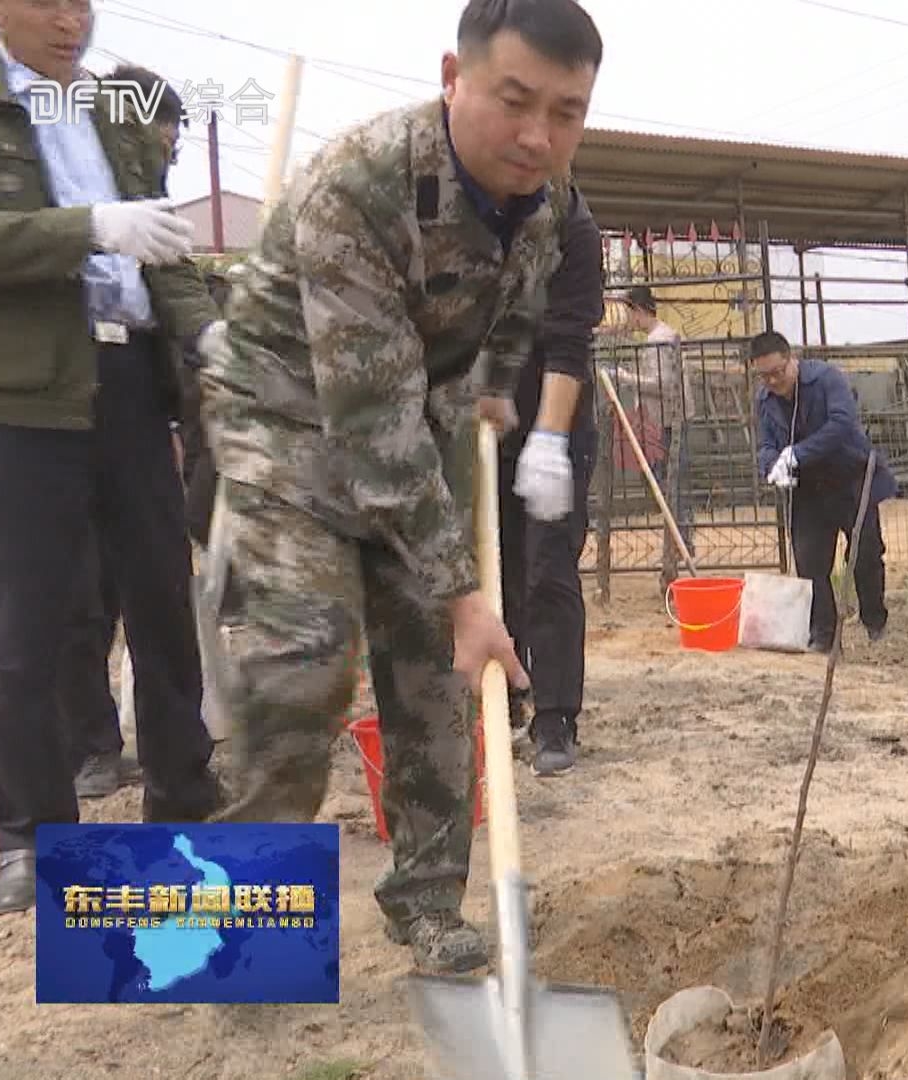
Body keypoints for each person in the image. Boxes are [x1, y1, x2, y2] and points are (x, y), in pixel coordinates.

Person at [198, 0, 604, 974]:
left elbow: (515, 316)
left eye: (567, 111)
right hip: (287, 407)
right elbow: (367, 423)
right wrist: (466, 592)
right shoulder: (364, 182)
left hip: (416, 408)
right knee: (303, 661)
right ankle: (234, 927)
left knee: (436, 673)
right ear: (453, 77)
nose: (538, 135)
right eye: (514, 101)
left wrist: (498, 395)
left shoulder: (547, 203)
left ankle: (426, 907)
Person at [0, 0, 223, 913]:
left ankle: (182, 797)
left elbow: (163, 248)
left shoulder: (115, 115)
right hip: (19, 397)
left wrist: (204, 333)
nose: (69, 21)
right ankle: (32, 838)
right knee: (27, 624)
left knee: (164, 600)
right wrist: (90, 227)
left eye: (81, 3)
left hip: (129, 385)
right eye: (46, 2)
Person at [62, 60, 196, 799]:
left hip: (136, 379)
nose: (168, 149)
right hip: (62, 384)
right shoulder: (59, 173)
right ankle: (91, 744)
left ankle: (181, 762)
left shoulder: (150, 197)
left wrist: (176, 405)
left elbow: (171, 295)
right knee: (79, 585)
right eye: (161, 132)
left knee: (160, 580)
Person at [497, 193, 605, 778]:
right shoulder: (456, 205)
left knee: (547, 568)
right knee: (494, 569)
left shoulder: (573, 225)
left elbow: (569, 340)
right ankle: (502, 697)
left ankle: (556, 716)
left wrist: (547, 438)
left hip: (555, 423)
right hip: (480, 419)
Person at [749, 331, 894, 649]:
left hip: (850, 479)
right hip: (807, 490)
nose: (773, 381)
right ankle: (824, 635)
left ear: (792, 361)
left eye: (777, 372)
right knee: (810, 562)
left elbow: (841, 424)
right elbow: (766, 443)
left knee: (865, 554)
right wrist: (773, 466)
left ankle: (874, 623)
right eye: (764, 376)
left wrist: (796, 454)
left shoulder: (827, 379)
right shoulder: (764, 400)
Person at [614, 284, 694, 569]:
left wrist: (626, 378)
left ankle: (680, 546)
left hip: (666, 420)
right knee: (671, 485)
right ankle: (680, 544)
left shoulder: (658, 340)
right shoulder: (662, 336)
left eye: (629, 312)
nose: (628, 319)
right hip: (666, 417)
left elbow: (662, 383)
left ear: (638, 311)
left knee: (672, 486)